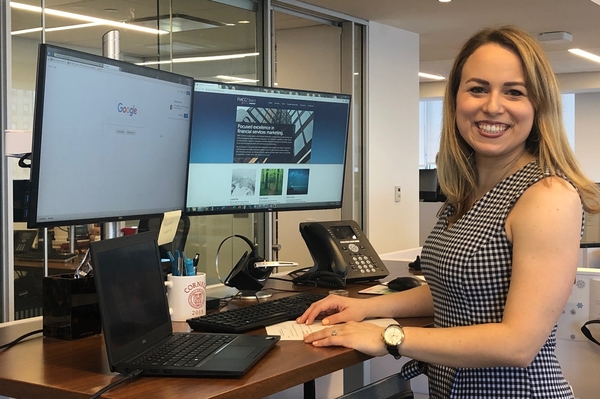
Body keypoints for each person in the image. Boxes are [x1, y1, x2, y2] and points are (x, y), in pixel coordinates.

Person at [297, 25, 600, 398]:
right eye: (477, 88)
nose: (492, 106)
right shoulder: (464, 192)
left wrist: (391, 337)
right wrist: (364, 309)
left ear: (538, 107)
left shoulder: (546, 195)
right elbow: (454, 291)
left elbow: (518, 344)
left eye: (514, 92)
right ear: (456, 99)